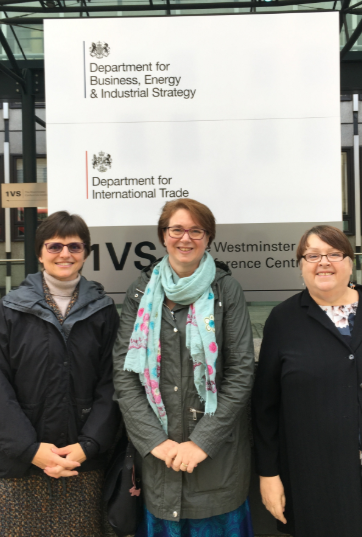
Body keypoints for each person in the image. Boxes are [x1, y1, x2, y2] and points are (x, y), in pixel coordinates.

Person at [252, 224, 362, 537]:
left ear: (350, 261)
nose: (324, 262)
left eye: (334, 253)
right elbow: (265, 408)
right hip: (318, 479)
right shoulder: (282, 320)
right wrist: (269, 474)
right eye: (312, 255)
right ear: (300, 265)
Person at [113, 198, 255, 537]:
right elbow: (124, 372)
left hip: (217, 460)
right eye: (177, 229)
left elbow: (240, 373)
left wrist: (202, 442)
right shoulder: (140, 292)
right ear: (164, 235)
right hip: (159, 463)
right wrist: (154, 442)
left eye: (196, 230)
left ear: (208, 238)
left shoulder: (226, 290)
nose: (186, 238)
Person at [0, 211, 120, 537]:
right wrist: (30, 450)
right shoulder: (9, 310)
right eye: (54, 246)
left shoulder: (104, 311)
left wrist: (90, 444)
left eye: (74, 246)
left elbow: (113, 385)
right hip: (19, 466)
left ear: (86, 253)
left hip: (81, 463)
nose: (65, 254)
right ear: (40, 253)